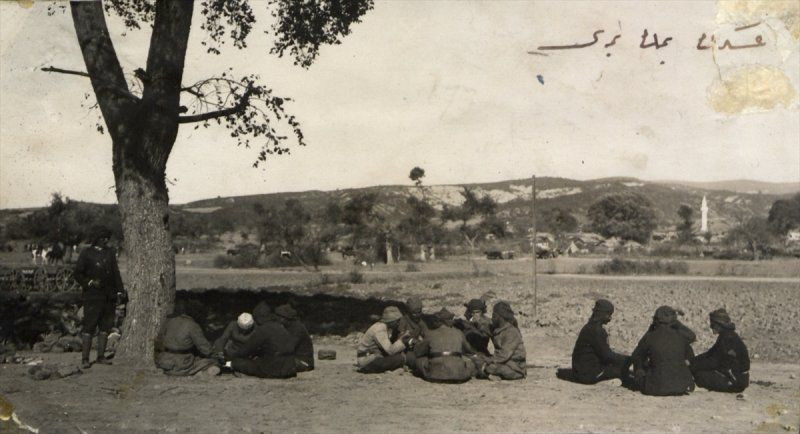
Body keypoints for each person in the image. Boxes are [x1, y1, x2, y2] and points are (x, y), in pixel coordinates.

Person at [73, 227, 127, 369]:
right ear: (96, 238)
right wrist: (90, 282)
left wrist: (120, 291)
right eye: (103, 238)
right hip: (93, 296)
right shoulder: (86, 253)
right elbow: (78, 274)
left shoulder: (110, 253)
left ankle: (101, 356)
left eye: (107, 238)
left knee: (105, 326)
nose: (106, 241)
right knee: (89, 326)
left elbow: (116, 273)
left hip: (109, 296)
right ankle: (85, 359)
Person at [559, 299, 630, 385]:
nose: (610, 318)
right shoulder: (597, 331)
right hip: (587, 375)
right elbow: (607, 356)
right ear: (602, 314)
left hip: (580, 371)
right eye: (609, 315)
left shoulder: (589, 327)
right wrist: (628, 359)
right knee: (622, 371)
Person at [630, 306, 695, 396]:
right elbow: (692, 336)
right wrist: (677, 323)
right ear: (674, 321)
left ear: (655, 320)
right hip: (681, 387)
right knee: (686, 349)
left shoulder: (651, 336)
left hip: (655, 388)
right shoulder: (681, 336)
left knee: (641, 359)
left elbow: (636, 355)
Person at [228, 301, 297, 379]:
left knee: (237, 362)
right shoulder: (281, 328)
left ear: (258, 318)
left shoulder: (262, 329)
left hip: (272, 371)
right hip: (289, 369)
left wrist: (232, 355)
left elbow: (246, 350)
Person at [691, 308, 750, 393]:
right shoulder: (727, 335)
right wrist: (692, 361)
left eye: (713, 325)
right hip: (738, 378)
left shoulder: (727, 338)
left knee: (700, 375)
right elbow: (710, 353)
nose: (711, 328)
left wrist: (693, 366)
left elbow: (714, 361)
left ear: (719, 324)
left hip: (736, 381)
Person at [155, 301, 220, 376]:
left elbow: (159, 340)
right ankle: (198, 373)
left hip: (164, 361)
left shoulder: (169, 320)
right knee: (214, 362)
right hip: (181, 363)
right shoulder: (193, 325)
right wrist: (216, 355)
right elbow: (206, 350)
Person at [412, 308, 477, 383]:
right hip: (459, 375)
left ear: (438, 322)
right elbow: (469, 350)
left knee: (419, 360)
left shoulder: (430, 333)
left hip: (435, 375)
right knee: (469, 361)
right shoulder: (458, 332)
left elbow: (419, 352)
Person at [477, 301, 527, 380]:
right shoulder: (498, 329)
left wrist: (488, 360)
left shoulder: (511, 332)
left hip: (515, 367)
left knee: (491, 367)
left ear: (500, 317)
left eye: (494, 316)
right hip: (503, 362)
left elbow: (504, 355)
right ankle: (490, 374)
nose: (492, 318)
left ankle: (489, 373)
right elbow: (485, 327)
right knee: (479, 360)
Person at [356, 306, 410, 374]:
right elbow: (390, 351)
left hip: (371, 357)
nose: (398, 323)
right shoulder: (380, 329)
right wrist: (401, 340)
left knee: (397, 357)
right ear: (391, 321)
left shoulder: (383, 326)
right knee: (400, 359)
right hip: (366, 361)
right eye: (397, 321)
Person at [274, 304, 315, 372]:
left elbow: (288, 347)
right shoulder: (288, 327)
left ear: (286, 318)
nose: (278, 320)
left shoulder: (297, 328)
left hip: (303, 362)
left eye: (279, 317)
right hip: (294, 359)